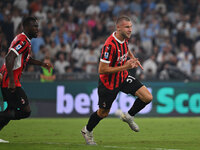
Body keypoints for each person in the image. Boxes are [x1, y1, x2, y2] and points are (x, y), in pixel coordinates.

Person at [81, 16, 153, 145]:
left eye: (131, 27)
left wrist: (132, 57)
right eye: (127, 27)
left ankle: (129, 116)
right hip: (108, 83)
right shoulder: (109, 46)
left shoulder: (123, 38)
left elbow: (126, 49)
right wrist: (126, 66)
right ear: (118, 27)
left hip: (123, 77)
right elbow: (102, 69)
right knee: (103, 113)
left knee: (147, 97)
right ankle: (87, 130)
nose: (130, 29)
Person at [0, 16, 53, 142]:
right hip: (10, 81)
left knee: (11, 110)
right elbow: (9, 58)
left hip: (9, 80)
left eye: (37, 26)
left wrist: (41, 64)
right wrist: (12, 81)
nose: (37, 29)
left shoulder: (25, 41)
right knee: (26, 111)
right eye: (34, 26)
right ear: (26, 27)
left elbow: (25, 59)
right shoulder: (23, 40)